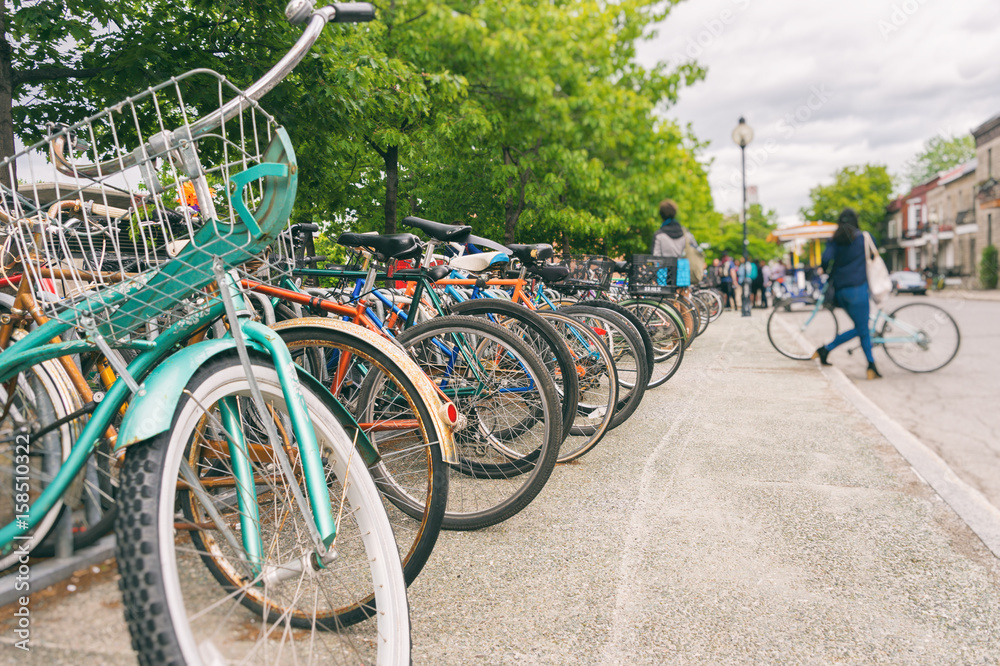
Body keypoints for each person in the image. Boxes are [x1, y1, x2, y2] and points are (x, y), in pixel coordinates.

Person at [812, 208, 881, 380]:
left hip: (840, 291)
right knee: (862, 328)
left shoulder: (835, 240)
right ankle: (826, 349)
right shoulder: (864, 237)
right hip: (858, 289)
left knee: (862, 328)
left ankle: (871, 366)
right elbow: (874, 255)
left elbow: (826, 260)